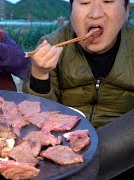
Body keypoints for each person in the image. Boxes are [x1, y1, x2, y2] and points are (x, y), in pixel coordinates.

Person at [23, 0, 134, 178]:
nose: (95, 13)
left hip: (124, 147)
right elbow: (39, 121)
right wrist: (39, 75)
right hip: (66, 145)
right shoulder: (52, 44)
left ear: (127, 10)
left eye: (108, 1)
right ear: (71, 11)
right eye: (84, 2)